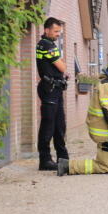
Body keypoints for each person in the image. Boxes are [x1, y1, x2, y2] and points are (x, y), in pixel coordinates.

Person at [57, 58, 108, 176]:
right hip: (104, 134)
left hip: (103, 131)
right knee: (104, 167)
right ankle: (67, 166)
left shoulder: (107, 83)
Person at [36, 17, 69, 171]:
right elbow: (62, 67)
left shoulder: (51, 45)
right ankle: (45, 160)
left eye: (59, 32)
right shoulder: (45, 45)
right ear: (46, 30)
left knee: (59, 125)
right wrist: (62, 62)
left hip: (56, 90)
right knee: (48, 125)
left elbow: (62, 64)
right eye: (56, 31)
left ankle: (63, 158)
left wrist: (62, 62)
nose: (58, 35)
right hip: (49, 90)